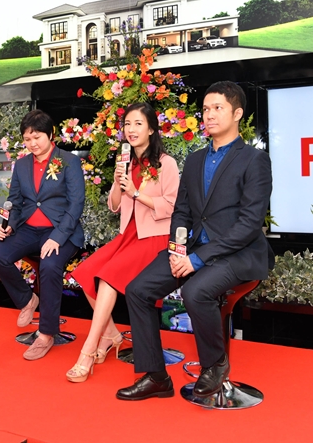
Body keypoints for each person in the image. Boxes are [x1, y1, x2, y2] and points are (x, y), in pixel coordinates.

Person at [116, 81, 273, 401]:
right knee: (138, 290)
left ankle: (215, 365)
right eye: (205, 109)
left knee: (195, 291)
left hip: (238, 252)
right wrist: (177, 251)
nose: (209, 115)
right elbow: (182, 212)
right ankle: (156, 376)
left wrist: (196, 260)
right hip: (191, 249)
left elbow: (249, 224)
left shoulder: (254, 160)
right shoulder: (196, 160)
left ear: (237, 113)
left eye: (218, 108)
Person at [66, 103, 178, 382]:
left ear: (151, 129)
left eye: (138, 123)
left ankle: (88, 350)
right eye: (127, 124)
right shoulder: (126, 162)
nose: (131, 129)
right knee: (85, 272)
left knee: (108, 278)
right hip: (128, 234)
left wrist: (138, 193)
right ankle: (111, 335)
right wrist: (118, 182)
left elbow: (172, 205)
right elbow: (114, 205)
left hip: (154, 236)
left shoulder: (166, 163)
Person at [0, 110, 85, 361]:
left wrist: (58, 237)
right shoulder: (22, 165)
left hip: (61, 230)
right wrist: (9, 225)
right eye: (27, 139)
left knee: (50, 265)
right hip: (29, 229)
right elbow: (15, 201)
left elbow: (76, 204)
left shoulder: (69, 161)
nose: (32, 144)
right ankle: (27, 299)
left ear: (51, 134)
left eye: (37, 137)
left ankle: (46, 334)